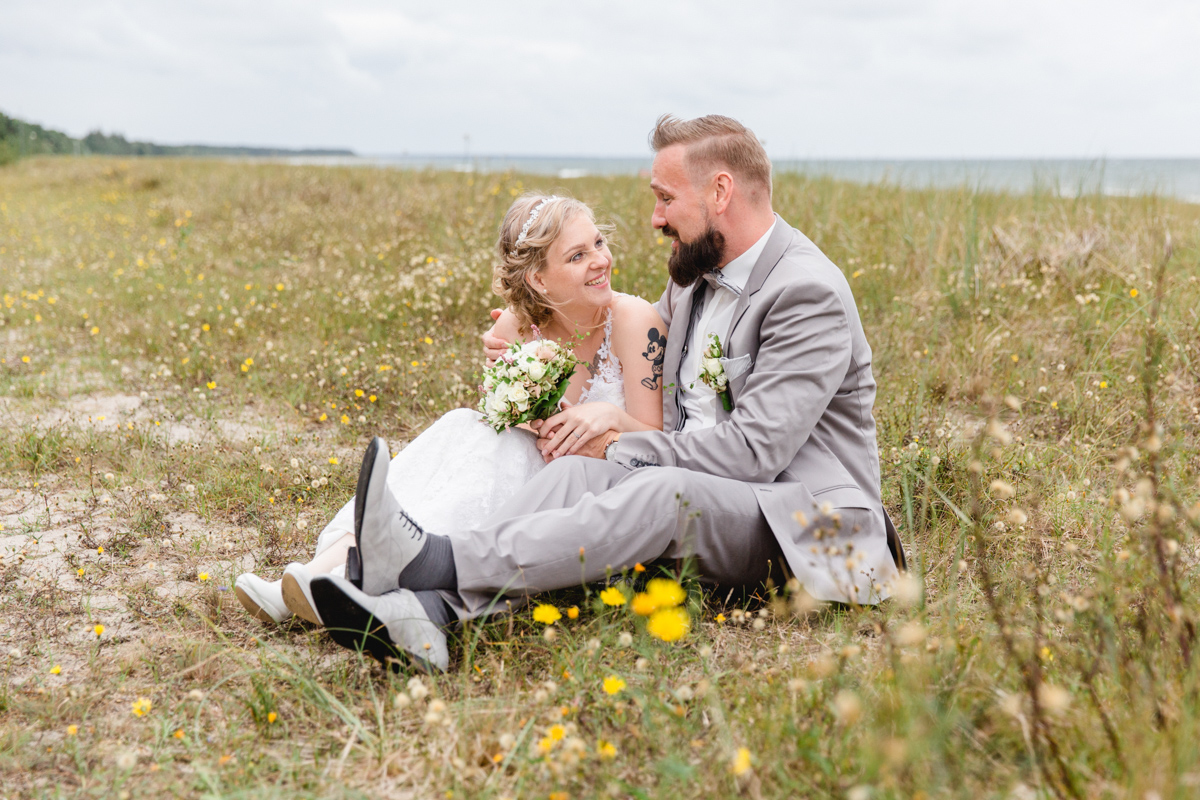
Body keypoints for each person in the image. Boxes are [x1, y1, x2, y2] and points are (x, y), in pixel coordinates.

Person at [311, 114, 906, 673]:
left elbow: (756, 453)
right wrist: (530, 345)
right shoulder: (696, 279)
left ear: (719, 192)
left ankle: (430, 562)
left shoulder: (807, 292)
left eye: (665, 197)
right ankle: (432, 614)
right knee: (573, 476)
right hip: (716, 495)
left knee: (662, 491)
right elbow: (610, 330)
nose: (654, 218)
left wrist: (621, 443)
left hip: (803, 520)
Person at [233, 194, 667, 630]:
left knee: (488, 451)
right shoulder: (513, 328)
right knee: (466, 427)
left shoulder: (634, 320)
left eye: (597, 243)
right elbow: (505, 423)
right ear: (538, 279)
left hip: (585, 484)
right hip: (529, 463)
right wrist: (522, 401)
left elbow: (655, 437)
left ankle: (358, 577)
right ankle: (316, 571)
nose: (600, 260)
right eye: (578, 255)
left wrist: (606, 415)